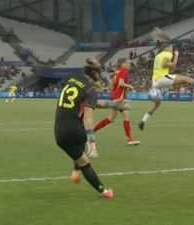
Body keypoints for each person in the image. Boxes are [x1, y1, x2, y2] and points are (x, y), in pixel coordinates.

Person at [54, 57, 121, 199]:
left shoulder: (72, 80)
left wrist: (112, 104)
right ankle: (104, 191)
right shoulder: (90, 89)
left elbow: (92, 102)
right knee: (84, 159)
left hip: (59, 131)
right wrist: (92, 142)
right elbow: (88, 117)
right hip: (74, 129)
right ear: (95, 74)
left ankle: (75, 172)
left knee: (78, 149)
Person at [138, 27, 194, 130]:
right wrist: (176, 56)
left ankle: (143, 121)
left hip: (155, 82)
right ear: (167, 48)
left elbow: (163, 66)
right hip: (161, 79)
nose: (172, 50)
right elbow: (170, 66)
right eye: (171, 48)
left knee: (157, 104)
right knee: (186, 78)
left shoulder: (158, 55)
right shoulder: (168, 53)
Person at [94, 58, 141, 145]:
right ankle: (130, 140)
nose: (129, 65)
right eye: (128, 63)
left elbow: (111, 86)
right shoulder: (123, 71)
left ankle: (92, 130)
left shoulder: (117, 71)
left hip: (115, 97)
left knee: (111, 118)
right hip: (119, 98)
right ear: (123, 64)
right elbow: (121, 84)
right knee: (126, 116)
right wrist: (130, 86)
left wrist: (115, 94)